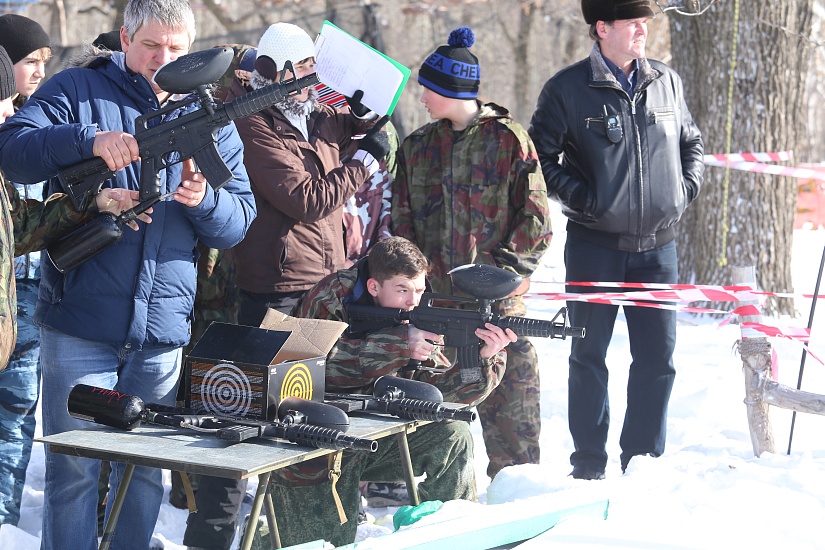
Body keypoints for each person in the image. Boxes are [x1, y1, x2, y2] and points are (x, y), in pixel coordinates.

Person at [0, 2, 256, 549]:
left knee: (144, 473)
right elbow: (14, 151)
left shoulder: (207, 114)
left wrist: (203, 199)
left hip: (161, 331)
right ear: (124, 38)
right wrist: (87, 140)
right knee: (75, 471)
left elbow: (237, 222)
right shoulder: (76, 89)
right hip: (80, 325)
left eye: (177, 50)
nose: (162, 60)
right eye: (150, 46)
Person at [182, 24, 388, 550]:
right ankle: (210, 534)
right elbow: (306, 198)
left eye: (312, 72)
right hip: (277, 290)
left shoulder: (312, 113)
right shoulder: (251, 123)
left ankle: (300, 531)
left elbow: (352, 126)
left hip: (324, 283)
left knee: (313, 417)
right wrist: (362, 167)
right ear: (273, 72)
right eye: (300, 73)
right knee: (248, 416)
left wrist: (368, 117)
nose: (309, 82)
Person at [528, 0, 704, 480]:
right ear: (602, 28)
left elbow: (692, 142)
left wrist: (683, 192)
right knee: (588, 356)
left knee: (657, 359)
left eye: (645, 22)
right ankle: (588, 463)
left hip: (658, 250)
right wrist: (586, 201)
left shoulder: (665, 81)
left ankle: (643, 461)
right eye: (633, 23)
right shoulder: (566, 89)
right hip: (595, 247)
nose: (643, 31)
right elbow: (540, 157)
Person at [248, 236, 516, 548]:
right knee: (324, 543)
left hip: (377, 436)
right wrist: (398, 345)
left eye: (419, 289)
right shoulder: (332, 297)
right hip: (314, 442)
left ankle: (445, 537)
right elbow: (308, 368)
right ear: (374, 287)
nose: (412, 301)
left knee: (452, 436)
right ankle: (262, 541)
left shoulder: (416, 314)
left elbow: (440, 397)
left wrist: (483, 361)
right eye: (402, 290)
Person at [392, 26, 552, 480]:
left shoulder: (508, 140)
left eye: (428, 86)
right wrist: (411, 290)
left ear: (450, 89)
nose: (421, 94)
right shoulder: (417, 148)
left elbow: (537, 219)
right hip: (436, 310)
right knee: (434, 428)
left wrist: (506, 274)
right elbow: (400, 228)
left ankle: (516, 511)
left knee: (514, 431)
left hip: (498, 313)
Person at [0, 13, 51, 527]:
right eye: (28, 61)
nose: (38, 72)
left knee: (16, 416)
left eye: (44, 62)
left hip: (30, 296)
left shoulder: (37, 124)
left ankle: (4, 521)